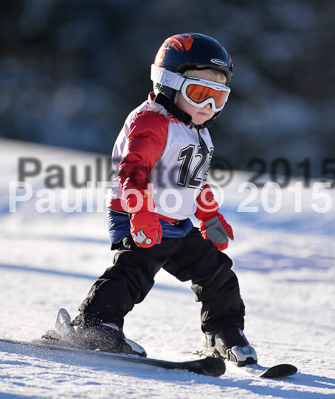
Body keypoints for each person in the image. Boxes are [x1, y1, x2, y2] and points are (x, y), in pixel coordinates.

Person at [66, 33, 257, 366]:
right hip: (138, 214)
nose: (208, 107)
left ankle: (225, 332)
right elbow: (133, 172)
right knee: (135, 270)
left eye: (218, 98)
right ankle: (96, 325)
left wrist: (209, 218)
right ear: (168, 84)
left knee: (217, 273)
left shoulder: (197, 131)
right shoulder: (152, 121)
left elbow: (193, 183)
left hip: (176, 223)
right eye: (199, 94)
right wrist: (142, 214)